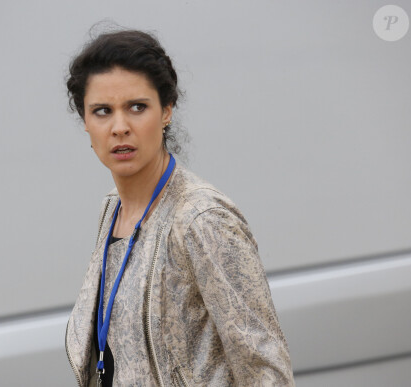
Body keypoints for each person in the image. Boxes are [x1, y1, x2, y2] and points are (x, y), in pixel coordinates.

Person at [64, 28, 294, 387]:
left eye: (137, 107)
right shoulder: (112, 209)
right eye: (102, 111)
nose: (120, 127)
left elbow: (266, 370)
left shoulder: (202, 218)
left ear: (167, 110)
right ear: (86, 122)